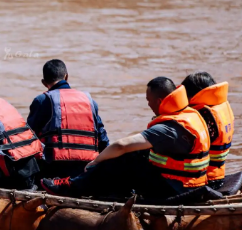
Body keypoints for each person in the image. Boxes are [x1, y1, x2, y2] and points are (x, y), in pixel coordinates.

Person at [41, 77, 211, 200]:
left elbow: (121, 146)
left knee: (123, 156)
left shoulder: (168, 128)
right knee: (137, 153)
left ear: (159, 101)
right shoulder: (190, 115)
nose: (148, 105)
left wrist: (96, 161)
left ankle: (72, 186)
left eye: (148, 100)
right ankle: (110, 190)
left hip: (175, 189)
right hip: (191, 183)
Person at [27, 59, 109, 179]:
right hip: (86, 171)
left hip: (53, 171)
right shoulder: (89, 101)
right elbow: (103, 141)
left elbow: (28, 137)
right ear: (67, 76)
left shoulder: (42, 101)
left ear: (44, 82)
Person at [182, 72, 234, 187]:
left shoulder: (204, 116)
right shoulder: (219, 108)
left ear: (191, 96)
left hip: (203, 181)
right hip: (217, 175)